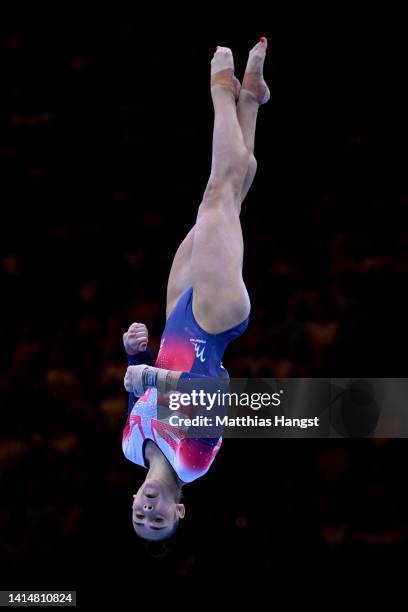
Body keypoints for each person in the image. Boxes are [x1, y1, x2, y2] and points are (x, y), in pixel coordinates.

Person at [122, 37, 270, 541]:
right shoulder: (194, 460)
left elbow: (144, 383)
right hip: (214, 321)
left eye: (139, 518)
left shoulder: (127, 445)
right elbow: (216, 390)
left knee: (230, 198)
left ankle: (250, 97)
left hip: (176, 316)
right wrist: (151, 378)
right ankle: (220, 87)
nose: (148, 512)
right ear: (179, 512)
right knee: (217, 195)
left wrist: (133, 354)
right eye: (158, 521)